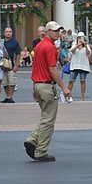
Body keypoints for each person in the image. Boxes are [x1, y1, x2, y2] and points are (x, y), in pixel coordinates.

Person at [24, 21, 71, 162]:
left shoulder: (39, 45)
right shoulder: (50, 47)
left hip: (38, 84)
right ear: (48, 31)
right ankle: (41, 150)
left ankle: (33, 139)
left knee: (45, 116)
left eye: (59, 31)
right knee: (49, 120)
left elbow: (36, 67)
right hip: (46, 85)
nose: (58, 33)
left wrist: (35, 87)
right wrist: (64, 87)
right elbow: (53, 69)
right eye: (55, 31)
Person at [67, 32, 91, 101]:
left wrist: (85, 45)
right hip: (75, 65)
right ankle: (68, 95)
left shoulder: (87, 46)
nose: (81, 39)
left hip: (83, 66)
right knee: (71, 81)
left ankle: (82, 96)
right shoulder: (74, 44)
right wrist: (78, 45)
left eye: (82, 37)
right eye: (79, 37)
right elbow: (72, 51)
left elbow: (88, 53)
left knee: (82, 81)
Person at [1, 27, 21, 103]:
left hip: (11, 65)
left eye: (10, 32)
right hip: (2, 65)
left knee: (12, 82)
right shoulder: (1, 42)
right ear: (4, 33)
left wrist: (16, 65)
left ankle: (11, 97)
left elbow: (18, 54)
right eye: (6, 32)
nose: (8, 33)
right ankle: (7, 96)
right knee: (4, 82)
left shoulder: (15, 42)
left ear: (12, 33)